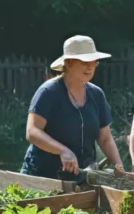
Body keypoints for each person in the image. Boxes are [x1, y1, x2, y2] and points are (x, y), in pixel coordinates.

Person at [22, 35, 125, 180]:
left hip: (82, 177)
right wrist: (62, 150)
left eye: (93, 61)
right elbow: (32, 131)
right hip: (42, 176)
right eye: (84, 61)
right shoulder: (49, 92)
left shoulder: (97, 94)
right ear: (68, 63)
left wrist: (119, 167)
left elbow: (105, 138)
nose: (90, 66)